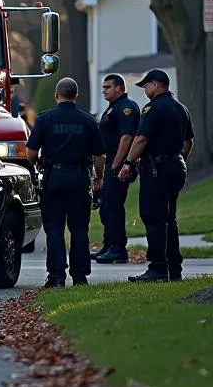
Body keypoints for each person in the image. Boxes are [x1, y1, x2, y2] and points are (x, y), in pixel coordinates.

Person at [26, 77, 105, 288]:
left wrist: (35, 169)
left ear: (56, 95)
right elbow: (100, 155)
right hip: (79, 179)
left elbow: (31, 152)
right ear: (76, 96)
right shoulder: (88, 121)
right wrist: (99, 178)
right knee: (79, 229)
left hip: (54, 179)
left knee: (54, 229)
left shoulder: (44, 119)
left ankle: (57, 276)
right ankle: (80, 277)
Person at [118, 69, 194, 283]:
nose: (145, 91)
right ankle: (174, 268)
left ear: (157, 85)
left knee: (153, 217)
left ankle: (158, 268)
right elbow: (189, 142)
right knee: (170, 218)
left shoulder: (153, 108)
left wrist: (128, 162)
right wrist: (179, 160)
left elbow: (141, 139)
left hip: (156, 169)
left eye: (147, 86)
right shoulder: (181, 109)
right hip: (175, 167)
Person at [93, 73, 140, 264]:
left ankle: (118, 248)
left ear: (120, 88)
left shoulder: (126, 108)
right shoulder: (113, 108)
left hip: (119, 162)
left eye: (108, 87)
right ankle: (109, 244)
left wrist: (115, 164)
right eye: (103, 87)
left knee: (113, 205)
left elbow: (127, 137)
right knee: (106, 205)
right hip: (112, 160)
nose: (104, 90)